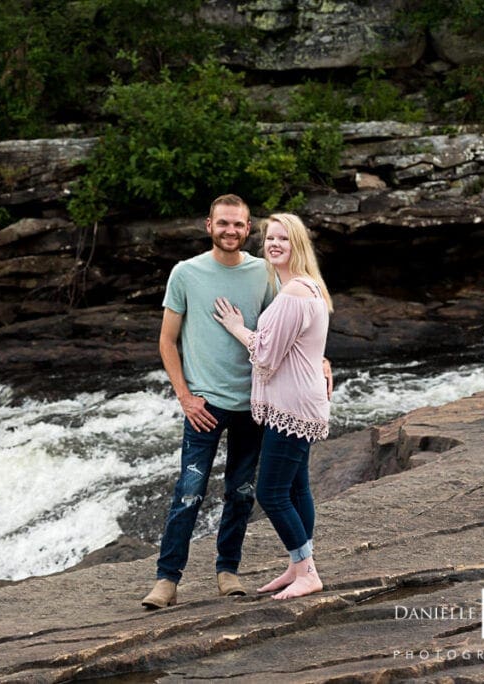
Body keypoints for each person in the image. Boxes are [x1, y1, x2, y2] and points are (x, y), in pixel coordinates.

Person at [141, 194, 275, 610]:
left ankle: (227, 572)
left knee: (240, 492)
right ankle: (167, 580)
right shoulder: (185, 274)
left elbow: (278, 336)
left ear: (248, 228)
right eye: (223, 224)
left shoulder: (265, 274)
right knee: (189, 491)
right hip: (204, 406)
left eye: (238, 224)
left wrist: (320, 362)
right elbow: (167, 339)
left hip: (253, 404)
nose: (230, 231)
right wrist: (185, 396)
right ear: (208, 225)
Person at [212, 212, 333, 600]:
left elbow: (267, 354)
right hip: (302, 399)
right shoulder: (307, 287)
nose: (275, 244)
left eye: (283, 239)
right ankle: (297, 566)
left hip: (293, 404)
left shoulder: (295, 292)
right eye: (270, 239)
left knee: (272, 492)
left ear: (297, 245)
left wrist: (235, 328)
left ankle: (308, 572)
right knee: (297, 488)